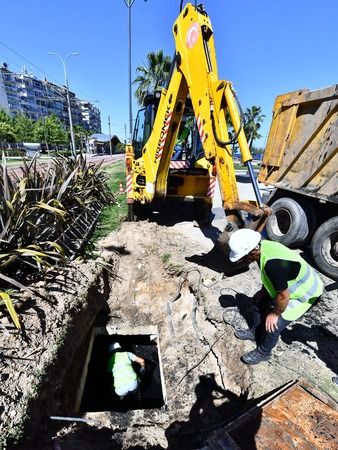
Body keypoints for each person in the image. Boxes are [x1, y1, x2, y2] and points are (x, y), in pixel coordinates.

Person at [228, 229, 324, 365]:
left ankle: (264, 352)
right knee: (257, 303)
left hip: (304, 293)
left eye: (244, 256)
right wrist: (263, 291)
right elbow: (271, 277)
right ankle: (255, 332)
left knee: (273, 325)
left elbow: (284, 297)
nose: (243, 260)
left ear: (254, 251)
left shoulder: (273, 265)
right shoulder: (263, 248)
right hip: (286, 286)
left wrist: (275, 313)